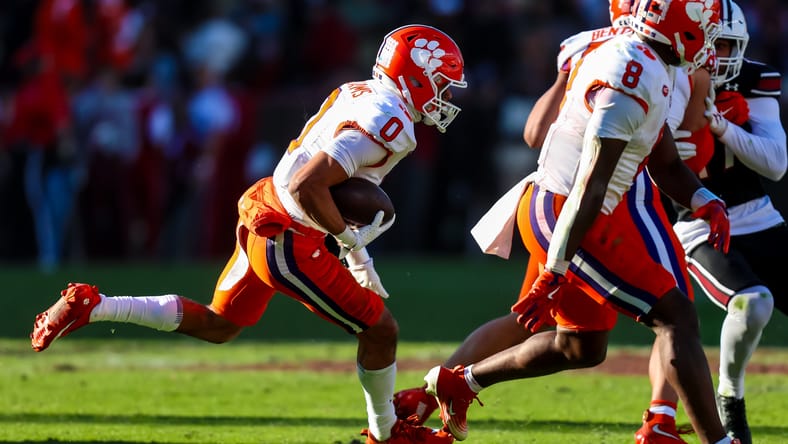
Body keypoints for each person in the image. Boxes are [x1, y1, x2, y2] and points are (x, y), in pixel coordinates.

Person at [30, 24, 467, 444]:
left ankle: (94, 305)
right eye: (442, 84)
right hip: (289, 233)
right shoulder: (390, 124)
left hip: (267, 205)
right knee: (380, 330)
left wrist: (353, 241)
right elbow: (309, 184)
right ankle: (386, 433)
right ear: (416, 77)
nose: (445, 96)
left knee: (219, 324)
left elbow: (315, 178)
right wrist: (353, 247)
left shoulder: (364, 92)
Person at [417, 1, 741, 444]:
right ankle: (717, 440)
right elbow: (591, 183)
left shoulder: (647, 61)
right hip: (568, 212)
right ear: (679, 30)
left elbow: (663, 159)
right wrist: (554, 268)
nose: (710, 42)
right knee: (676, 316)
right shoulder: (632, 74)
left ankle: (462, 382)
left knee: (580, 347)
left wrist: (704, 198)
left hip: (579, 208)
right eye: (704, 30)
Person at [664, 3, 787, 443]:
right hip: (698, 223)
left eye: (730, 45)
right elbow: (673, 161)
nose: (720, 55)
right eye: (712, 43)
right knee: (753, 303)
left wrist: (723, 128)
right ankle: (730, 396)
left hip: (758, 215)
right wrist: (702, 122)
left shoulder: (754, 79)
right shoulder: (666, 75)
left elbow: (775, 164)